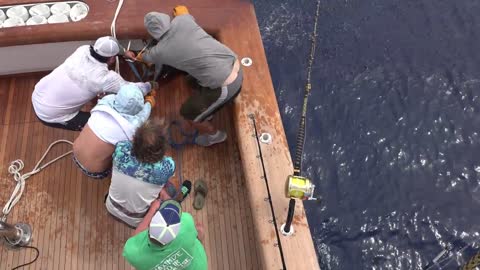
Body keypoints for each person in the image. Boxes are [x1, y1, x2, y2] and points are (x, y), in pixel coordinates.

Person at [126, 6, 243, 147]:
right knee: (190, 81)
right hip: (233, 61)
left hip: (228, 84)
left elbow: (143, 58)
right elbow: (181, 9)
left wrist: (133, 55)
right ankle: (209, 110)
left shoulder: (159, 51)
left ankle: (215, 136)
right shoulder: (184, 21)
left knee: (188, 113)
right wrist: (178, 11)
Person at [32, 36, 153, 131]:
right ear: (111, 59)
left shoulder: (82, 50)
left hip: (39, 93)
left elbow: (106, 46)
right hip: (51, 115)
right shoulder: (105, 78)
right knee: (101, 127)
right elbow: (132, 90)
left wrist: (124, 52)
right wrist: (150, 85)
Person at [73, 84, 156, 179]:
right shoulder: (129, 128)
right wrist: (149, 103)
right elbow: (142, 118)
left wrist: (146, 87)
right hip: (92, 171)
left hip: (75, 152)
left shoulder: (103, 105)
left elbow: (128, 91)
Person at [106, 118, 177, 227]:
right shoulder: (167, 166)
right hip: (136, 221)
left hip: (111, 207)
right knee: (171, 189)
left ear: (134, 140)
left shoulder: (121, 150)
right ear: (163, 150)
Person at [123, 199, 207, 270]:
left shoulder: (133, 253)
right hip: (199, 266)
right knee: (199, 229)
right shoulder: (187, 223)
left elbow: (136, 237)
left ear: (151, 223)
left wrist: (152, 210)